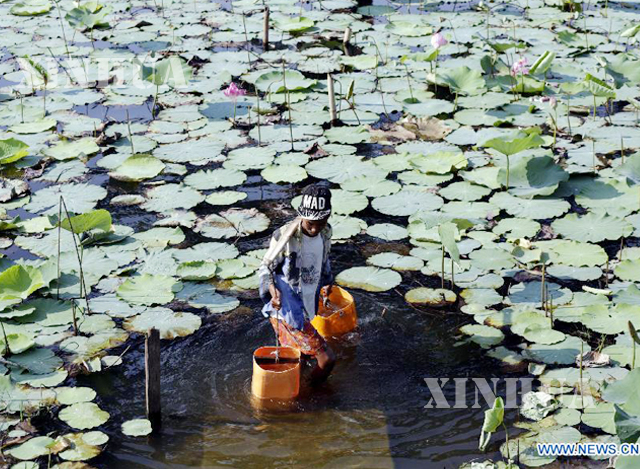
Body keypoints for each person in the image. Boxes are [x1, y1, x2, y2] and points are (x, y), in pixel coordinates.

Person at [258, 184, 336, 384]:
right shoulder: (284, 236)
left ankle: (293, 391)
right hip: (287, 310)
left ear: (327, 217)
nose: (315, 228)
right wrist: (272, 289)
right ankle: (313, 391)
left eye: (320, 222)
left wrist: (327, 283)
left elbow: (323, 260)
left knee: (299, 357)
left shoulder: (326, 232)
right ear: (302, 216)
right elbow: (265, 267)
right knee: (327, 359)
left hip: (307, 303)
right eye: (311, 223)